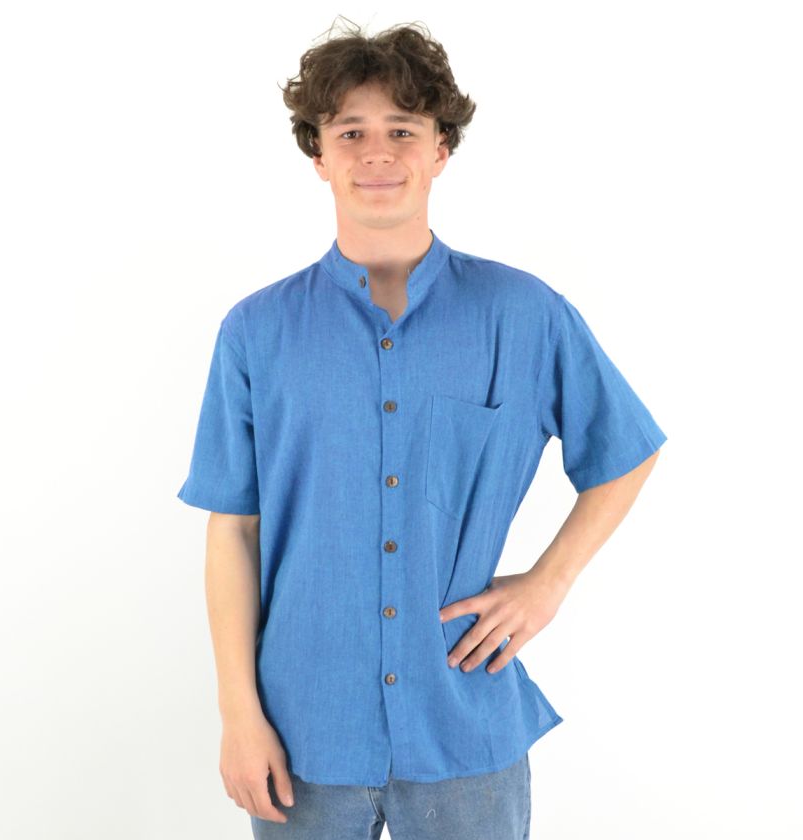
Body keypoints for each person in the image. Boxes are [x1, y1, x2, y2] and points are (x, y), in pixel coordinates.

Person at [176, 17, 667, 840]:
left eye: (402, 129)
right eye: (351, 131)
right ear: (318, 154)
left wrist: (547, 583)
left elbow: (625, 452)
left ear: (441, 149)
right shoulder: (256, 332)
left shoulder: (524, 314)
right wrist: (238, 715)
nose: (378, 152)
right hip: (301, 734)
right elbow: (234, 529)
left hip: (464, 731)